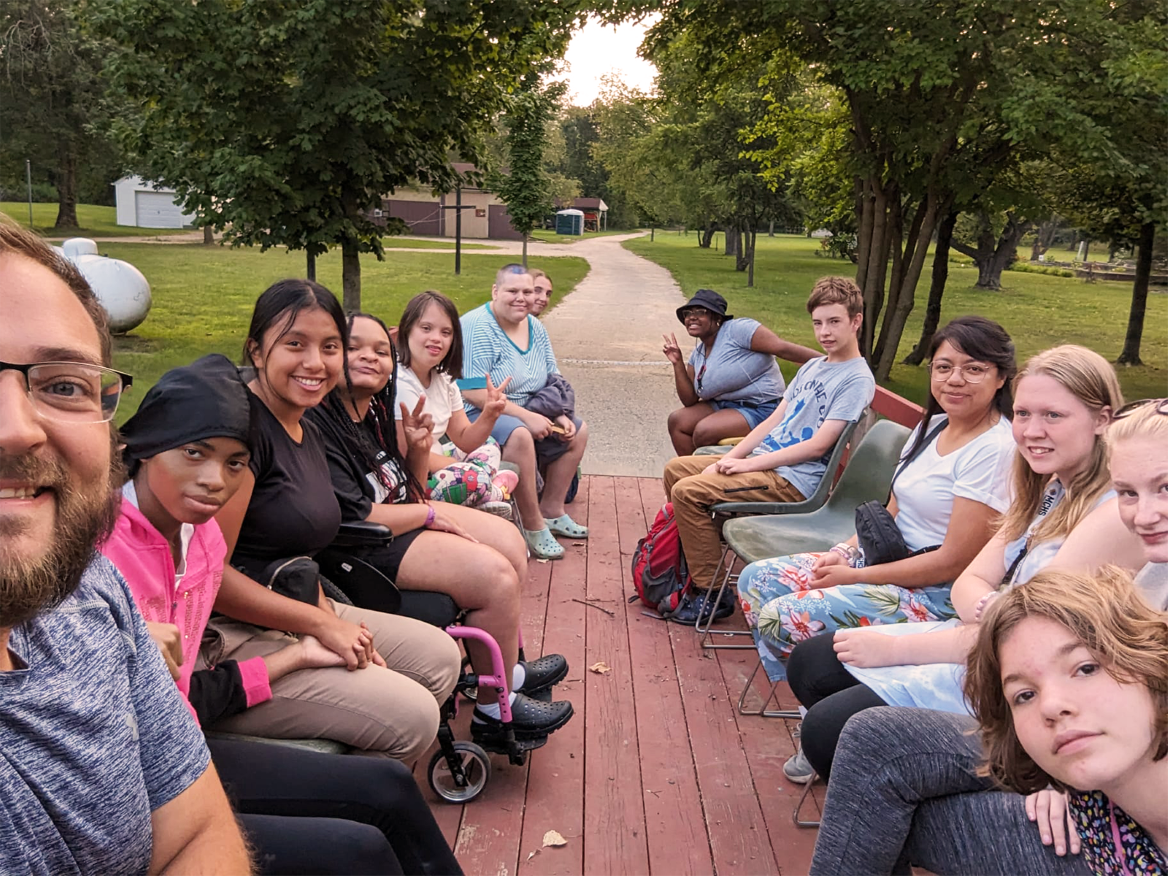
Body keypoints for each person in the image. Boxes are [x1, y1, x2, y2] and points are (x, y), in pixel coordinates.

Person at [105, 353, 465, 876]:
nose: (214, 481)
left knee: (387, 788)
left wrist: (299, 653)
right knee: (358, 851)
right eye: (193, 452)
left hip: (183, 734)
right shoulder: (101, 557)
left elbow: (186, 695)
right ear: (141, 449)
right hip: (135, 781)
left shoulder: (201, 536)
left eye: (235, 463)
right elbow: (164, 709)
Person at [807, 399, 1168, 876]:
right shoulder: (1047, 502)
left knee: (871, 777)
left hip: (1123, 830)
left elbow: (1019, 620)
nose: (1144, 513)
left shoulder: (1108, 531)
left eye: (1054, 415)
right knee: (873, 755)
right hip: (1099, 784)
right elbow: (996, 604)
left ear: (1098, 422)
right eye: (1127, 492)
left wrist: (1077, 779)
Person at [0, 221, 250, 873]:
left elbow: (197, 832)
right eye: (194, 452)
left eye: (62, 385)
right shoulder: (111, 559)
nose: (17, 429)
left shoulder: (83, 588)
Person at [784, 345, 1145, 784]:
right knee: (811, 662)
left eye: (1053, 416)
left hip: (1017, 684)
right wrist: (995, 608)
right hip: (976, 641)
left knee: (828, 731)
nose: (1031, 430)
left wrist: (897, 650)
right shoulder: (1048, 490)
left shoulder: (1112, 514)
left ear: (1102, 419)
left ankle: (890, 788)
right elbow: (972, 579)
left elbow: (1024, 638)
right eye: (1025, 414)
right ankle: (880, 781)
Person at [204, 279, 462, 761]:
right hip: (229, 632)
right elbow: (210, 578)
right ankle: (355, 815)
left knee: (442, 658)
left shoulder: (305, 424)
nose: (315, 363)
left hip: (297, 604)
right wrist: (321, 627)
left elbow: (299, 555)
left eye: (329, 347)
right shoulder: (241, 439)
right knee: (413, 716)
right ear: (256, 350)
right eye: (294, 344)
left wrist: (328, 620)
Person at [308, 312, 574, 744]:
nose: (369, 358)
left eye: (380, 351)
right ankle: (494, 709)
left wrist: (416, 449)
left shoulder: (370, 411)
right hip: (367, 544)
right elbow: (355, 514)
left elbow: (406, 484)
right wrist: (428, 515)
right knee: (494, 577)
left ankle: (506, 670)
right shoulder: (323, 423)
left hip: (400, 510)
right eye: (353, 347)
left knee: (509, 541)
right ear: (333, 354)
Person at [737, 316, 1017, 681]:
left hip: (936, 593)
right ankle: (815, 686)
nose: (954, 379)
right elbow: (895, 507)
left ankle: (831, 687)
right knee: (757, 580)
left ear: (1001, 378)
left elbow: (951, 562)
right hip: (887, 561)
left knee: (782, 617)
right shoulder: (934, 426)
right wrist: (844, 552)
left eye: (974, 369)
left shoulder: (994, 450)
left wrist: (854, 577)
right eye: (944, 367)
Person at [662, 276, 876, 624]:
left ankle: (712, 593)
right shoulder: (812, 367)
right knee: (677, 469)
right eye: (818, 323)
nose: (824, 332)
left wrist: (747, 466)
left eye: (835, 322)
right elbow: (772, 421)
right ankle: (703, 558)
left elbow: (818, 446)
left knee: (687, 493)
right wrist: (733, 457)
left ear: (856, 321)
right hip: (764, 464)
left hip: (792, 480)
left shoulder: (856, 379)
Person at [459, 263, 589, 560]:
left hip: (533, 407)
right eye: (512, 291)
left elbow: (552, 376)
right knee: (518, 435)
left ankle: (553, 511)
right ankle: (533, 525)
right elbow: (473, 391)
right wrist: (525, 416)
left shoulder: (535, 326)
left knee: (578, 431)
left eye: (528, 291)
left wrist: (559, 414)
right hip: (480, 412)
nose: (522, 298)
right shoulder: (476, 326)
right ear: (495, 291)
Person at [394, 290, 517, 515]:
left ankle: (483, 491)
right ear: (407, 329)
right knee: (471, 477)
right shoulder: (400, 382)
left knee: (488, 445)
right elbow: (406, 454)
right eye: (426, 328)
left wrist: (490, 413)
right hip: (413, 477)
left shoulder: (444, 379)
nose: (436, 338)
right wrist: (465, 469)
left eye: (446, 332)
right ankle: (493, 491)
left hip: (440, 461)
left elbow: (464, 439)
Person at [662, 288, 820, 455]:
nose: (691, 317)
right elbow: (690, 400)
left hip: (760, 407)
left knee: (704, 431)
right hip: (723, 405)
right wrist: (677, 363)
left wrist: (832, 363)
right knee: (677, 421)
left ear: (717, 317)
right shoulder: (698, 354)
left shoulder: (738, 330)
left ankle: (714, 477)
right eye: (688, 313)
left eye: (700, 312)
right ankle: (690, 478)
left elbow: (783, 349)